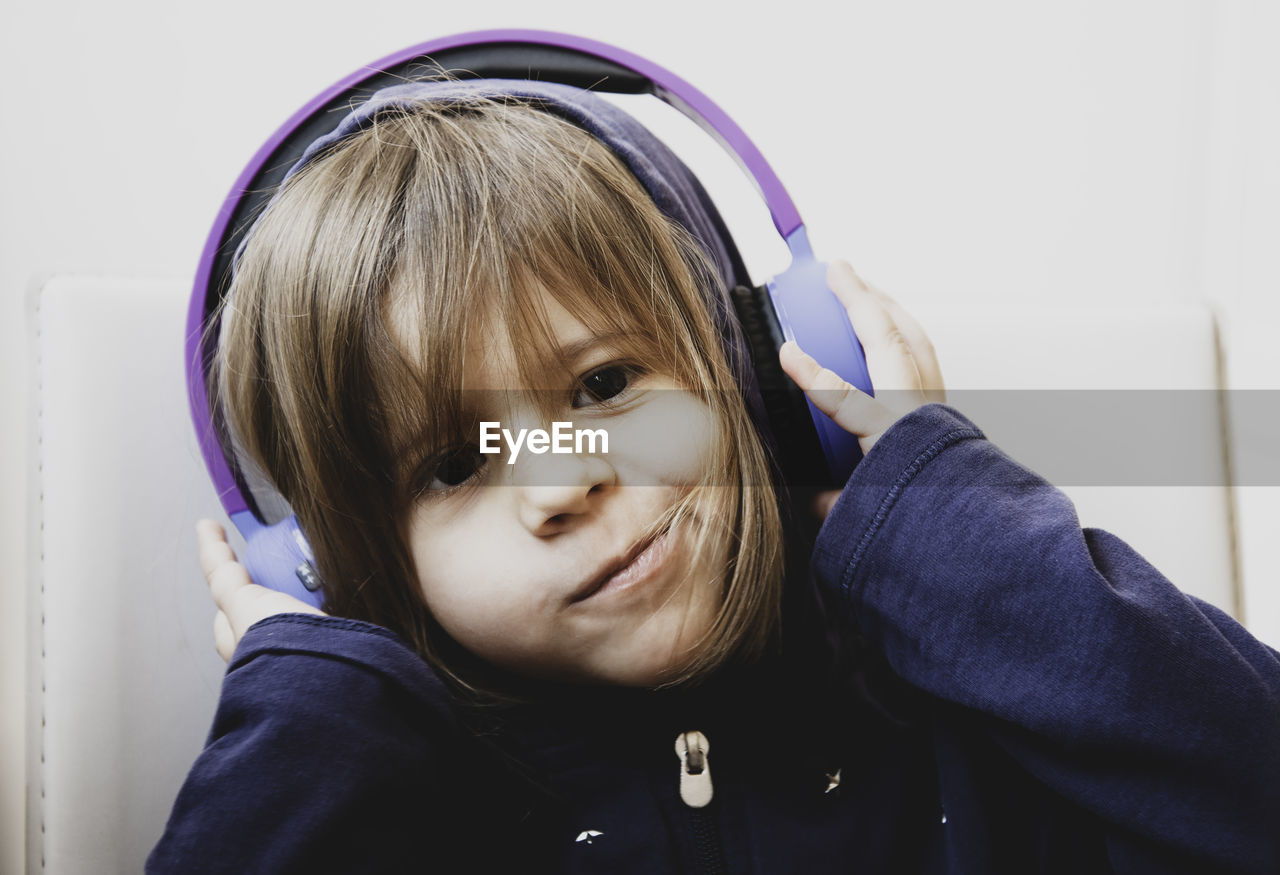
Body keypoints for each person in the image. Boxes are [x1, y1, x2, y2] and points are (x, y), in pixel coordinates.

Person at [149, 80, 1280, 873]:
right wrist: (315, 725)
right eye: (452, 462)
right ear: (342, 564)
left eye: (601, 387)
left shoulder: (975, 717)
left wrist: (951, 524)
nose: (558, 483)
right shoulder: (392, 810)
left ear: (756, 376)